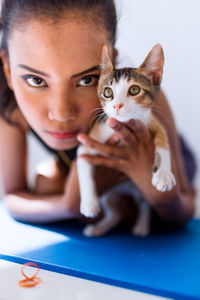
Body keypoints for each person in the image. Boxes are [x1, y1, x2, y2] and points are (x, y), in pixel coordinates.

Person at [0, 0, 196, 228]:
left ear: (109, 64)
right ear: (7, 67)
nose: (62, 113)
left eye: (87, 80)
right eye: (35, 80)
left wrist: (161, 196)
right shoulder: (9, 106)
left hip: (158, 160)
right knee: (47, 182)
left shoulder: (141, 96)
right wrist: (68, 204)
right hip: (81, 167)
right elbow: (12, 196)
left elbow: (186, 204)